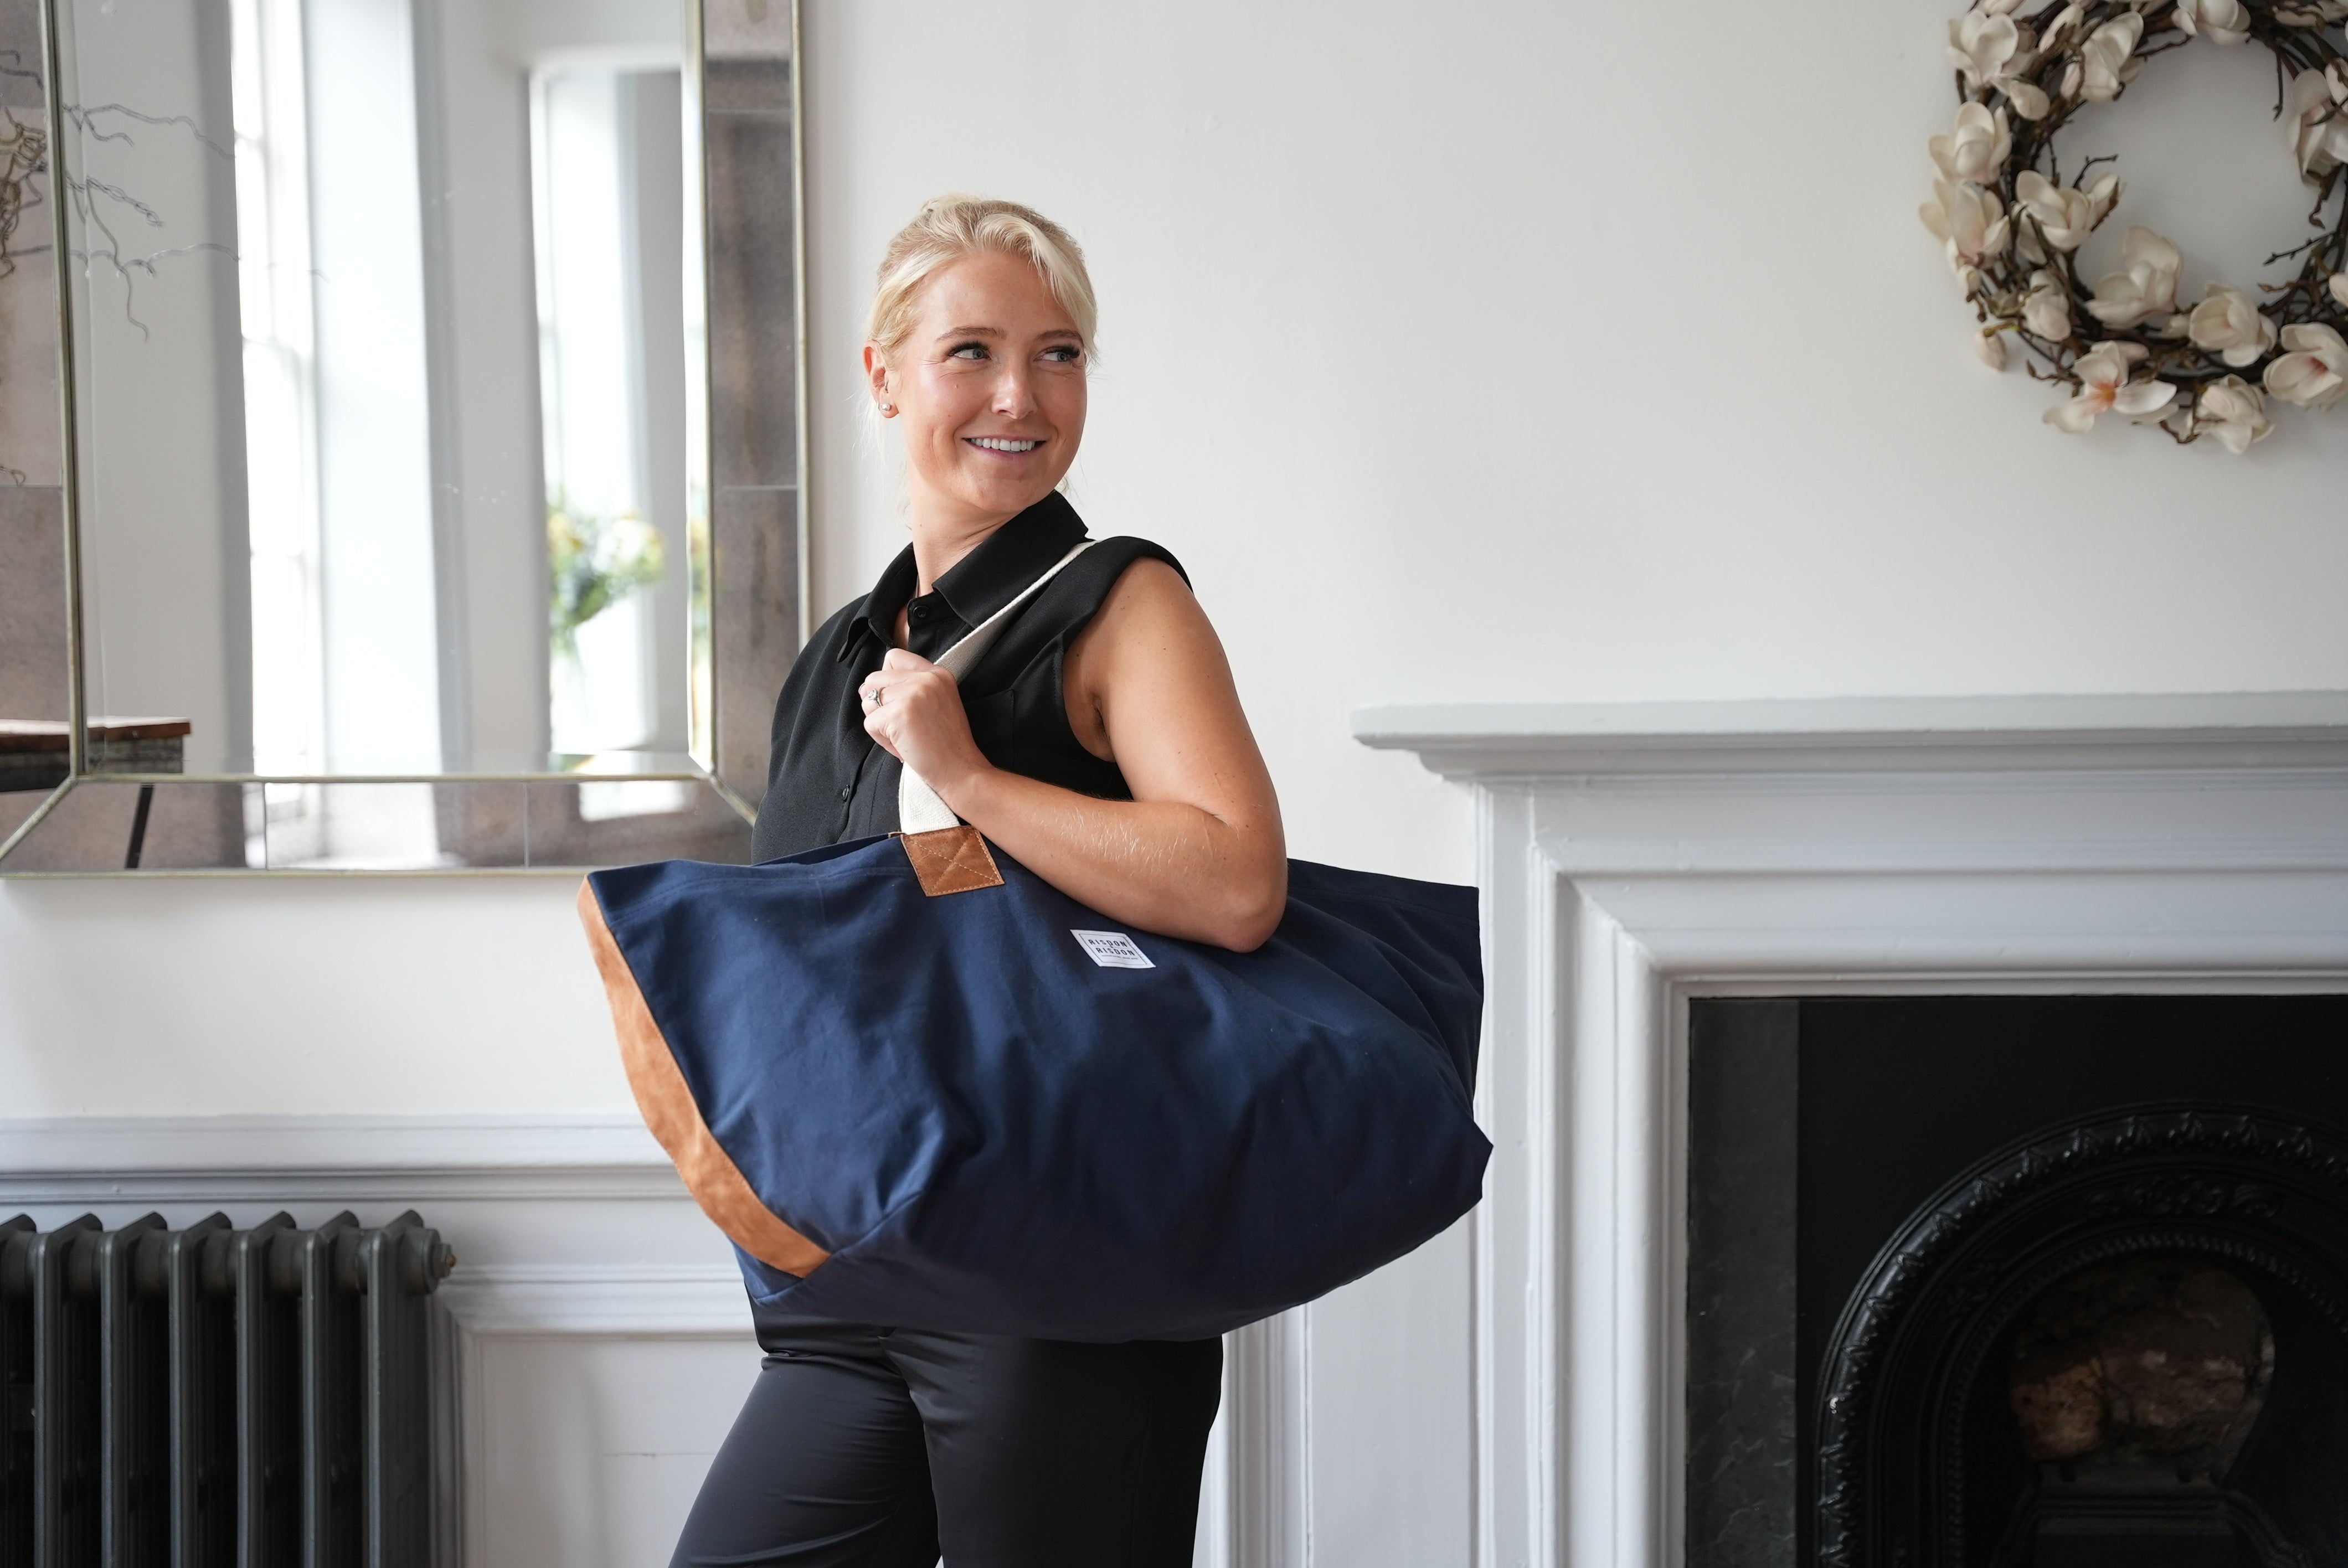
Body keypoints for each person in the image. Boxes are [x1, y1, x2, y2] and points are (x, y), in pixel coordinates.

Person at [669, 195, 1288, 1567]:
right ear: (884, 374)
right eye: (973, 353)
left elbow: (1238, 882)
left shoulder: (1123, 603)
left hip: (1053, 1279)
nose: (1021, 395)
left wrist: (976, 779)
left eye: (1058, 354)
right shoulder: (841, 654)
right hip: (848, 1279)